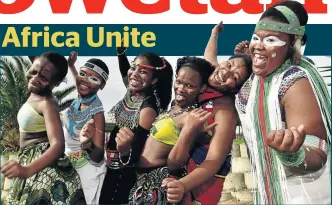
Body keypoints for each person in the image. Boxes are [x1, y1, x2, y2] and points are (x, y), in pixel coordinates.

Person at [235, 1, 331, 204]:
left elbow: (318, 147)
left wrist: (293, 155)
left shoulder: (293, 82)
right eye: (256, 38)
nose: (258, 46)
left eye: (271, 39)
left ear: (290, 45)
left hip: (302, 195)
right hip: (267, 190)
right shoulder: (259, 77)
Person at [161, 24, 253, 205]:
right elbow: (210, 55)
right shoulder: (210, 75)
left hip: (201, 185)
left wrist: (183, 185)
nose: (225, 72)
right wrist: (214, 34)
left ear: (234, 89)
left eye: (234, 77)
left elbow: (213, 161)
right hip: (178, 171)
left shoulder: (225, 111)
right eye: (229, 64)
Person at [126, 56, 216, 205]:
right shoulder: (174, 106)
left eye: (189, 86)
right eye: (179, 82)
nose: (180, 89)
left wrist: (189, 130)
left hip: (158, 182)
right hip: (140, 179)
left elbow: (175, 163)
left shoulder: (192, 118)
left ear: (202, 88)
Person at [1, 52, 86, 205]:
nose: (35, 79)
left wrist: (27, 170)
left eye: (43, 78)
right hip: (30, 161)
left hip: (43, 169)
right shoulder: (36, 93)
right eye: (33, 71)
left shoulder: (47, 103)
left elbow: (58, 146)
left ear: (56, 83)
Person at [98, 49, 174, 204]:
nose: (134, 74)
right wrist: (121, 53)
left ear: (154, 80)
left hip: (123, 177)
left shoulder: (147, 110)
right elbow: (126, 73)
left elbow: (135, 157)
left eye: (143, 72)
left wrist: (125, 149)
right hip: (111, 169)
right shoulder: (133, 93)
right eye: (133, 67)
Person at [62, 52, 108, 204]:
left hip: (86, 172)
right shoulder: (81, 97)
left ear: (101, 85)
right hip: (67, 161)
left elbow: (99, 156)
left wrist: (87, 143)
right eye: (83, 74)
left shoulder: (97, 114)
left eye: (94, 78)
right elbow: (81, 81)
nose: (85, 81)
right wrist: (71, 66)